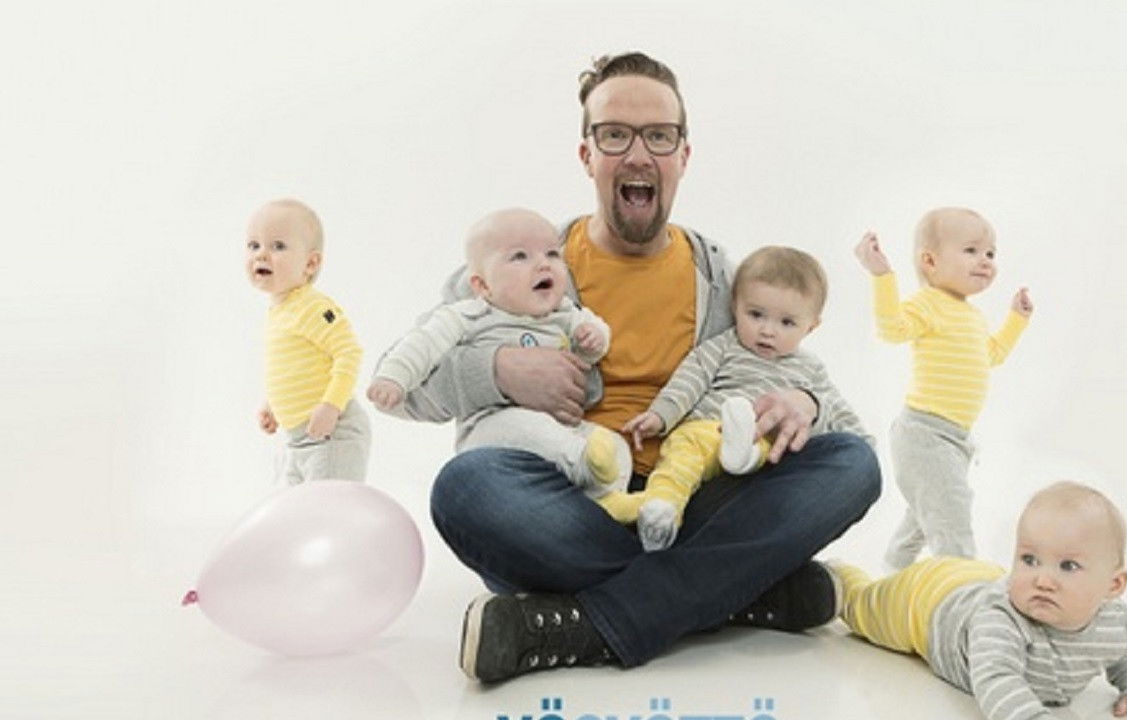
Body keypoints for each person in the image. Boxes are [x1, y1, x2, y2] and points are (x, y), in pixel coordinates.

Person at [386, 52, 881, 682]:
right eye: (615, 134)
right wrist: (499, 371)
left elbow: (786, 359)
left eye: (659, 136)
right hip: (569, 508)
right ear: (587, 156)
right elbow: (403, 391)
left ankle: (584, 624)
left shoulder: (722, 275)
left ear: (683, 156)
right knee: (468, 489)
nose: (639, 153)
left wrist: (804, 404)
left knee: (851, 464)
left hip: (693, 501)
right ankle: (740, 589)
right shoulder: (518, 265)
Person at [826, 481, 1127, 720]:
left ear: (1114, 585)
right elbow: (996, 678)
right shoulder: (1001, 621)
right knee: (862, 608)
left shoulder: (1116, 623)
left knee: (990, 581)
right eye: (1029, 559)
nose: (1043, 579)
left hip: (981, 576)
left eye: (1068, 566)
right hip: (929, 602)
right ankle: (840, 576)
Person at [609, 245, 871, 552]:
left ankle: (744, 454)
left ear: (811, 326)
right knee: (681, 454)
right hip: (709, 432)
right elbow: (688, 381)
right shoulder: (724, 347)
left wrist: (864, 451)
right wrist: (659, 416)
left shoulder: (810, 371)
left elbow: (842, 419)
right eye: (756, 314)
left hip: (765, 456)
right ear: (735, 306)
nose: (767, 331)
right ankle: (660, 514)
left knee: (818, 458)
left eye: (787, 323)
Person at [368, 207, 629, 493]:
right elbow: (422, 345)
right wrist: (394, 378)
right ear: (481, 285)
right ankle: (582, 466)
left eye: (553, 254)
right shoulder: (467, 315)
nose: (543, 264)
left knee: (614, 448)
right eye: (520, 256)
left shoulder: (565, 313)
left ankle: (606, 501)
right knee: (520, 426)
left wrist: (592, 340)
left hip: (566, 430)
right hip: (494, 427)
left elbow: (590, 351)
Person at [854, 209, 1033, 570]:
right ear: (930, 261)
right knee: (951, 511)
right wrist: (882, 276)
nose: (985, 261)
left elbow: (991, 355)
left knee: (924, 516)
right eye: (972, 251)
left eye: (991, 254)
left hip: (954, 439)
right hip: (925, 434)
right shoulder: (929, 303)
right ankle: (962, 586)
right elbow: (892, 328)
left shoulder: (971, 314)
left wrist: (1017, 319)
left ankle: (892, 576)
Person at [245, 198, 369, 484]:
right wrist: (273, 404)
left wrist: (332, 406)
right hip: (297, 439)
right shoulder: (280, 310)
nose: (262, 255)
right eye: (254, 245)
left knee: (328, 509)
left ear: (310, 263)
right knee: (294, 511)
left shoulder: (313, 307)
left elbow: (348, 352)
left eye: (278, 246)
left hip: (332, 433)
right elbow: (294, 366)